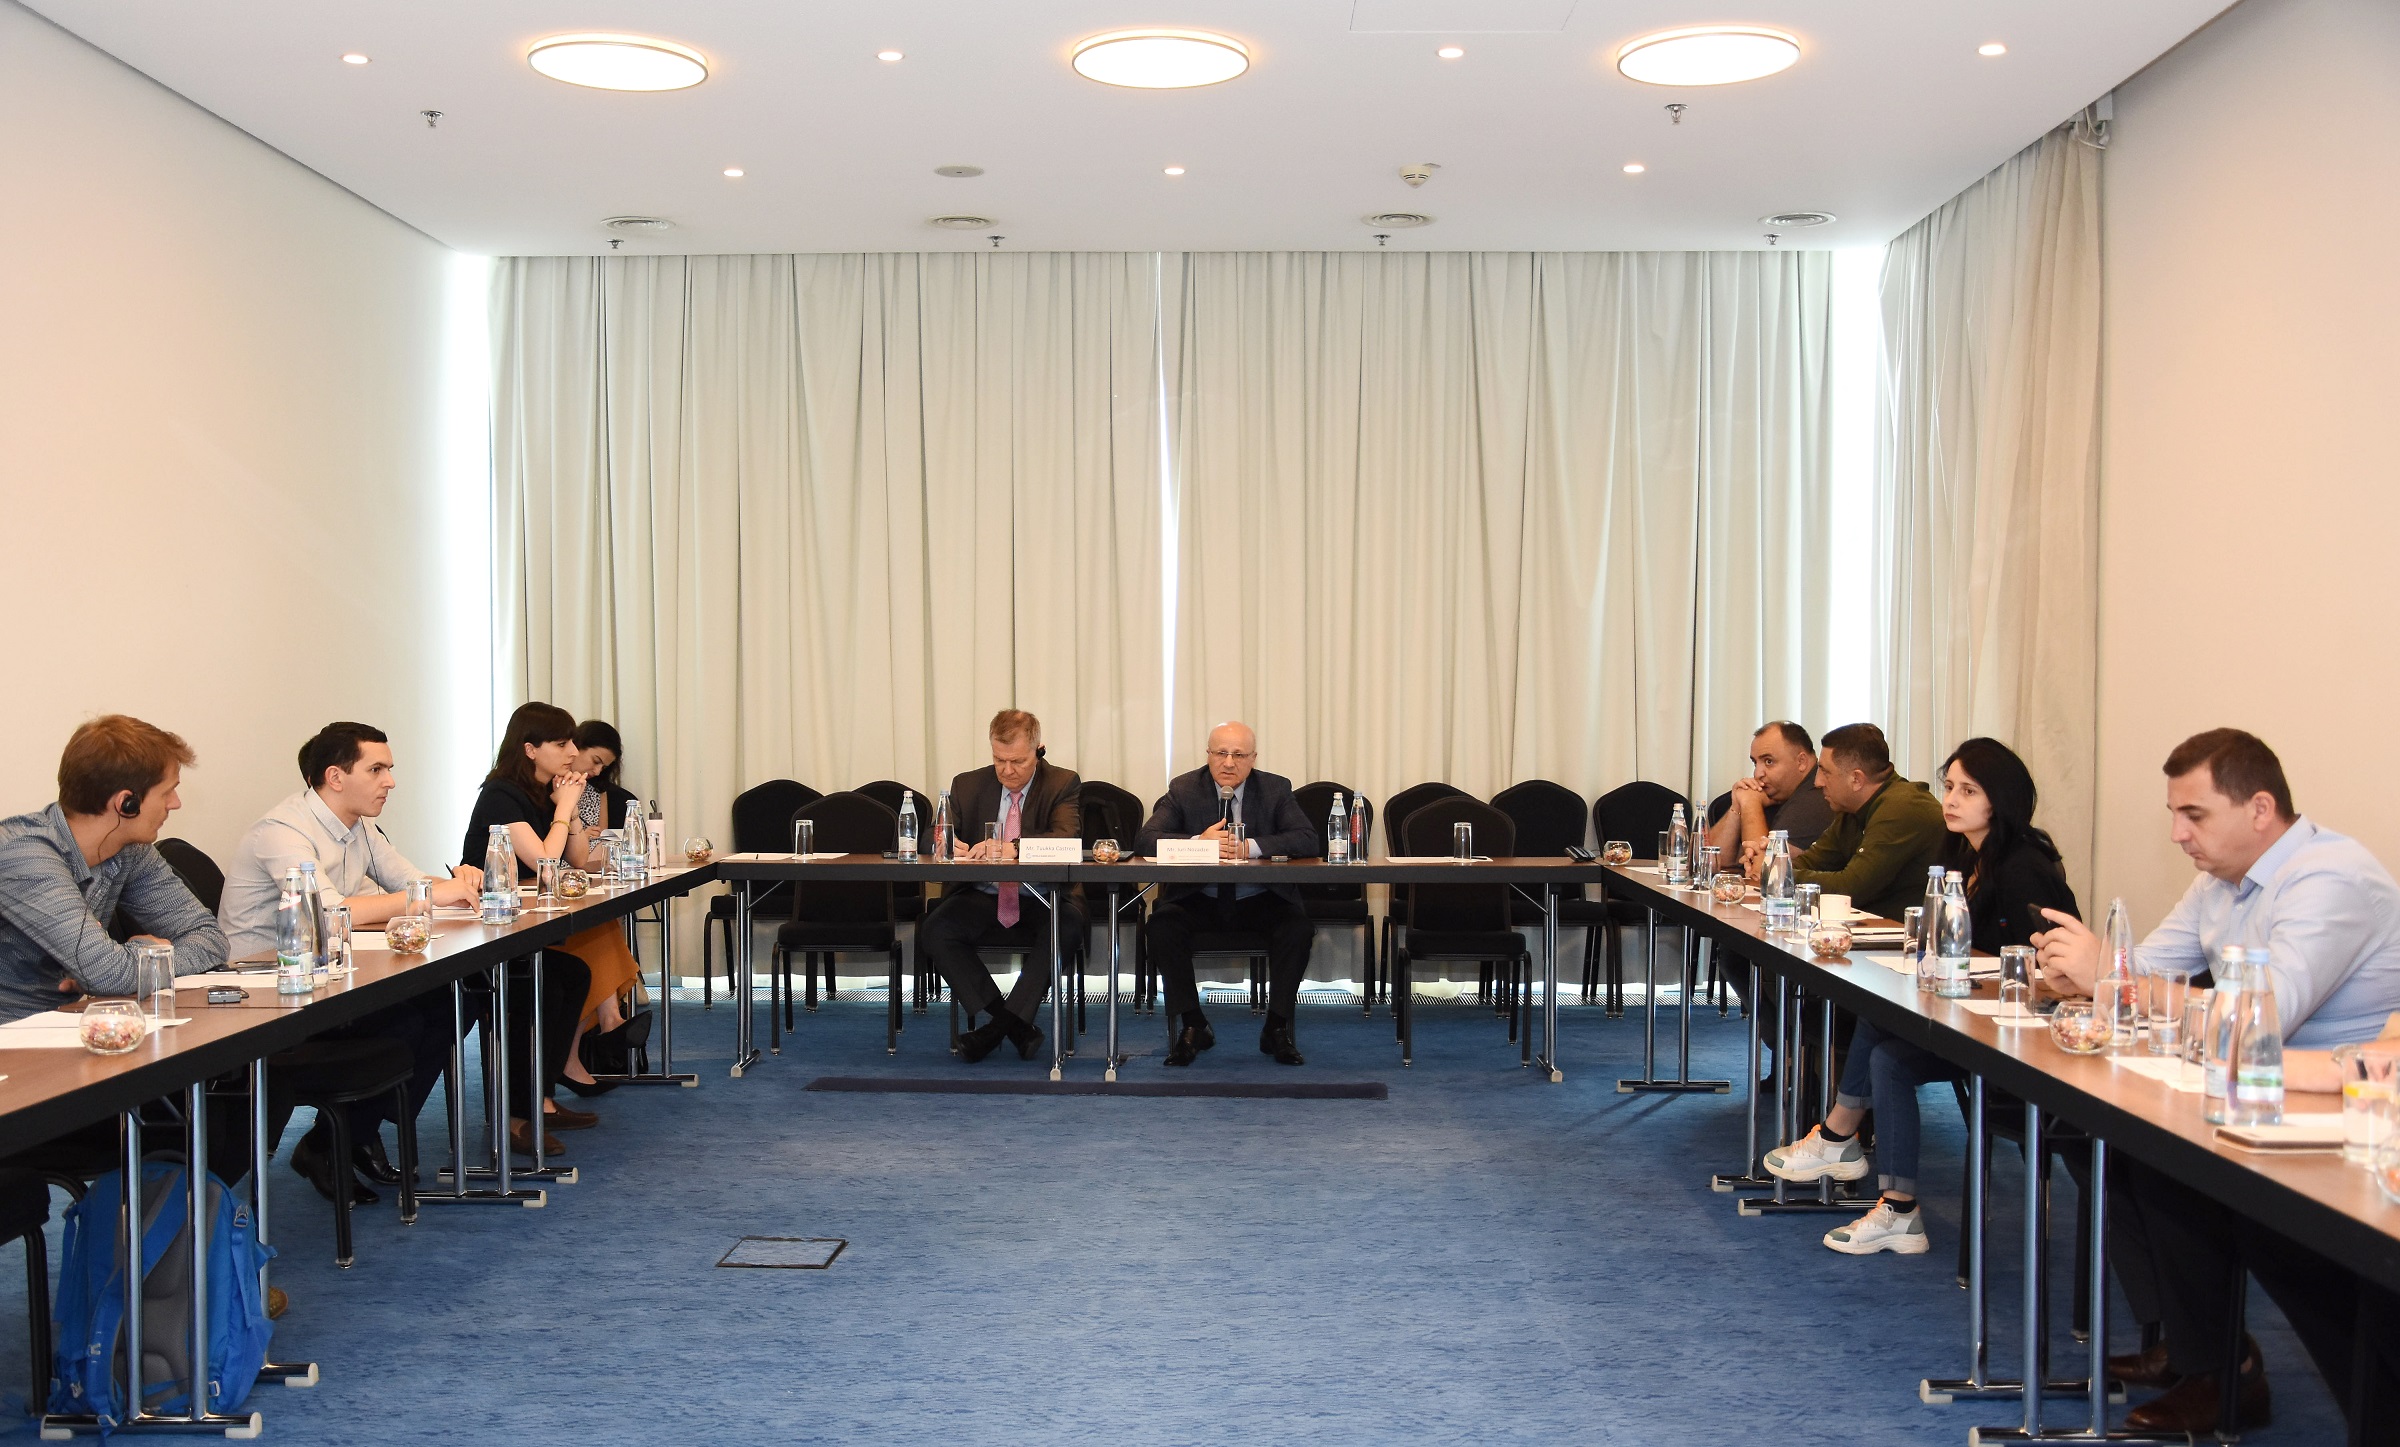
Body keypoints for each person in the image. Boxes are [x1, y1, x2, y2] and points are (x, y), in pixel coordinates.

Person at [2032, 728, 2400, 1435]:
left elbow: (2261, 1018)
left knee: (2183, 1175)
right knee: (2095, 1132)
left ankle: (2223, 1369)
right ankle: (2194, 1346)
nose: (2178, 833)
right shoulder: (2220, 882)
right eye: (2174, 814)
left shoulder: (2328, 879)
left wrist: (2114, 978)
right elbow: (2144, 971)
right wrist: (2086, 969)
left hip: (2342, 1117)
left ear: (2259, 809)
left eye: (2193, 814)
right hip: (2259, 1095)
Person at [1764, 737, 2080, 1253]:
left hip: (2024, 1032)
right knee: (1888, 1058)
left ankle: (1838, 1137)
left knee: (1880, 1015)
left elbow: (2052, 968)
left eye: (1968, 790)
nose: (1950, 800)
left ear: (2000, 799)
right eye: (1949, 786)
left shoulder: (2025, 865)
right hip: (1970, 1015)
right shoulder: (1960, 856)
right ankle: (1899, 1210)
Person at [218, 722, 485, 1202]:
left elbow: (407, 881)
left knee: (452, 1002)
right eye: (377, 769)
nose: (390, 782)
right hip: (270, 992)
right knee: (402, 1022)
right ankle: (339, 1138)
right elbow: (328, 913)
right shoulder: (282, 832)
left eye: (389, 769)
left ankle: (347, 1133)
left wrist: (457, 884)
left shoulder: (359, 827)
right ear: (335, 777)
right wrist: (427, 896)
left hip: (331, 977)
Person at [459, 703, 633, 1153]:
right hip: (488, 936)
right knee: (543, 988)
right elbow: (545, 864)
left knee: (572, 976)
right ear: (530, 749)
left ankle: (543, 1097)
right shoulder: (501, 794)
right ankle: (517, 1114)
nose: (573, 752)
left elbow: (578, 858)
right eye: (562, 743)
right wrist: (568, 806)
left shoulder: (540, 792)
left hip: (521, 926)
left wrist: (568, 811)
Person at [0, 716, 226, 1022]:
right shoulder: (22, 854)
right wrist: (133, 960)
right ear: (126, 803)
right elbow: (108, 973)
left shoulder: (129, 849)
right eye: (167, 792)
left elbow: (209, 938)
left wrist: (138, 962)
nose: (175, 803)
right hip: (12, 1035)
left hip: (70, 1024)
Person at [1138, 722, 1322, 1067]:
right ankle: (1194, 1024)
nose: (1228, 762)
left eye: (1239, 755)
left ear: (1253, 759)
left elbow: (1307, 839)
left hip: (1260, 899)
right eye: (1221, 753)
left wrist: (1250, 847)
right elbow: (1146, 840)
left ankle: (1276, 1027)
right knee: (1161, 927)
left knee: (1297, 928)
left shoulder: (1275, 788)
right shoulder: (1184, 788)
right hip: (1198, 899)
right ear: (1208, 755)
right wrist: (1199, 842)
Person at [919, 709, 1082, 1063]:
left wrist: (1015, 848)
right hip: (983, 894)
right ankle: (1013, 1026)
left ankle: (994, 1031)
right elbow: (929, 836)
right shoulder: (968, 784)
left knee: (1067, 926)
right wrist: (943, 842)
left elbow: (1067, 839)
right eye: (999, 760)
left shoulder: (1062, 783)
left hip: (1042, 895)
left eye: (1018, 761)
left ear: (1038, 750)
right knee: (936, 929)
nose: (1007, 770)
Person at [1754, 722, 1949, 921]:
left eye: (1825, 772)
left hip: (1909, 934)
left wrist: (1777, 872)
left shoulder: (1902, 808)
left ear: (1856, 779)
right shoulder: (1851, 809)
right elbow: (1813, 861)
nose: (1817, 782)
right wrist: (1776, 867)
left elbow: (1849, 889)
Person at [1702, 721, 1833, 861]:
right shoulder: (1776, 792)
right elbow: (1709, 861)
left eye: (1768, 761)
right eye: (1755, 763)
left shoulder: (1817, 798)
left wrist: (1750, 802)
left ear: (1801, 762)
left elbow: (1763, 866)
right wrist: (1737, 806)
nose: (1757, 774)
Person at [571, 719, 641, 833]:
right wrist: (580, 837)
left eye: (603, 767)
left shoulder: (597, 789)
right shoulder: (553, 784)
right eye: (596, 761)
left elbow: (602, 836)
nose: (597, 772)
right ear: (576, 747)